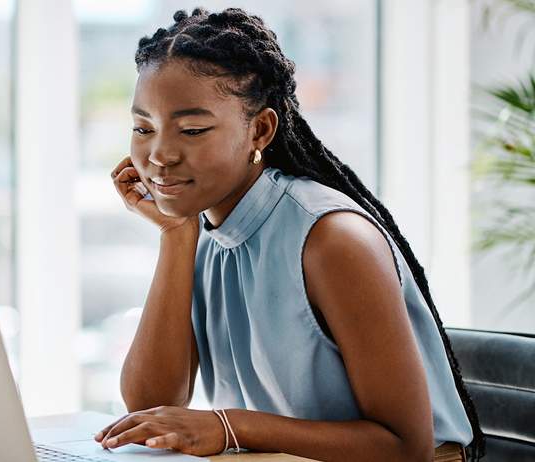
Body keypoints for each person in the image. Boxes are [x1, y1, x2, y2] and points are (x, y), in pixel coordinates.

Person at [92, 7, 484, 462]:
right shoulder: (203, 229)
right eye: (143, 128)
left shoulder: (333, 241)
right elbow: (150, 406)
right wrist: (176, 237)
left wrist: (229, 427)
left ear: (259, 130)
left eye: (192, 129)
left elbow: (405, 446)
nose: (159, 155)